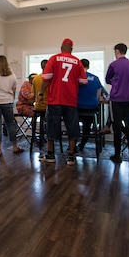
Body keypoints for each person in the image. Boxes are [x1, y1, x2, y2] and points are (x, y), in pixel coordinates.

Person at [39, 38, 88, 166]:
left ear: (61, 48)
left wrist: (40, 93)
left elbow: (46, 78)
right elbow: (84, 81)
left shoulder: (54, 59)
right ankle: (71, 156)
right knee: (72, 127)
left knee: (52, 126)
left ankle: (50, 155)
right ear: (71, 49)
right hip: (71, 99)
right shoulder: (77, 61)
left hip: (55, 99)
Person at [105, 43, 129, 163]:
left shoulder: (114, 65)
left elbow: (107, 79)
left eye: (115, 52)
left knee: (117, 127)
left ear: (117, 51)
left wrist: (115, 81)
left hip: (117, 99)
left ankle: (117, 155)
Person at [77, 59, 103, 152]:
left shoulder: (76, 78)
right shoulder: (95, 78)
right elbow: (99, 94)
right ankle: (83, 143)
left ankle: (73, 143)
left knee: (72, 122)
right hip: (92, 107)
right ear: (88, 66)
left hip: (78, 107)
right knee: (87, 124)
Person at [31, 60, 48, 148]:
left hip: (38, 107)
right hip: (48, 107)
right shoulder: (51, 78)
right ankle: (50, 137)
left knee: (35, 116)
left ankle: (34, 135)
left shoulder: (36, 78)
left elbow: (33, 94)